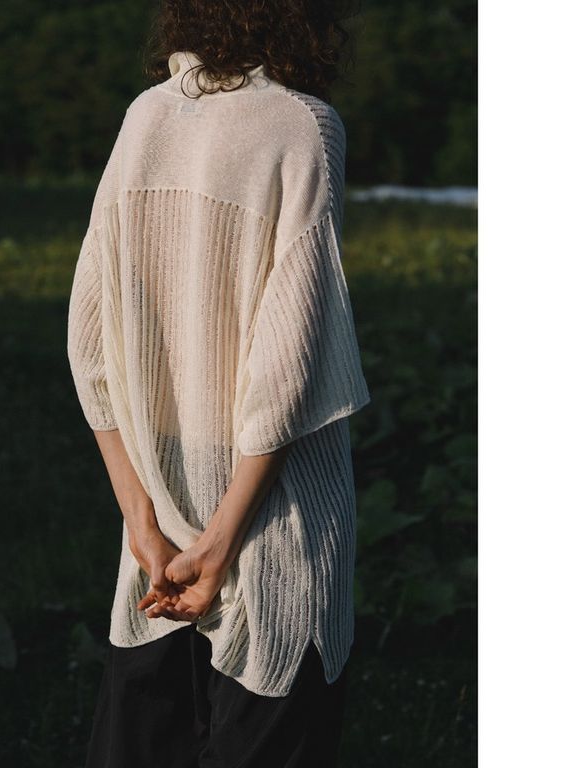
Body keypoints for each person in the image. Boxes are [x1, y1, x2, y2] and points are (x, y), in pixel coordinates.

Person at [67, 2, 370, 765]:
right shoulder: (303, 127)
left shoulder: (145, 117)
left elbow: (89, 343)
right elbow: (288, 370)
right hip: (277, 525)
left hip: (158, 524)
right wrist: (222, 541)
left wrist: (142, 521)